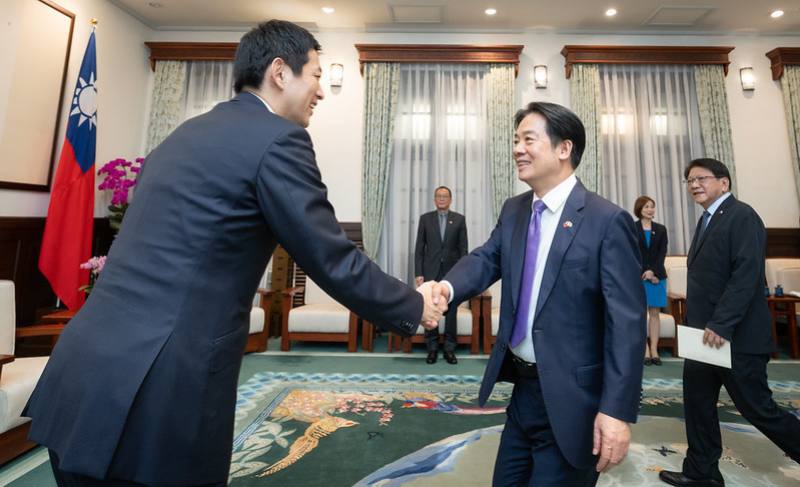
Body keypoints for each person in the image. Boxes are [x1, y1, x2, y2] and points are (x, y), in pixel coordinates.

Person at [23, 20, 444, 486]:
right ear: (281, 72)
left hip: (82, 368)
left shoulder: (182, 135)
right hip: (159, 387)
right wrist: (413, 305)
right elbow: (331, 256)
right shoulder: (280, 140)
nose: (321, 91)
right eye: (318, 75)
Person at [435, 102, 646, 486]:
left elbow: (627, 325)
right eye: (516, 140)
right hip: (524, 391)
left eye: (528, 139)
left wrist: (616, 412)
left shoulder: (606, 220)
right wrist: (445, 288)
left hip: (575, 399)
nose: (517, 148)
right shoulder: (515, 210)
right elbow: (486, 259)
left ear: (564, 149)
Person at [659, 158, 800, 487]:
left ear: (724, 183)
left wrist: (721, 324)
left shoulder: (742, 216)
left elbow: (746, 275)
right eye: (689, 180)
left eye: (701, 179)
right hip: (702, 338)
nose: (694, 185)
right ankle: (701, 473)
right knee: (698, 404)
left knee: (757, 408)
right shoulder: (708, 220)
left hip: (733, 336)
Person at [414, 186, 468, 364]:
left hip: (452, 273)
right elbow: (419, 249)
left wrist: (462, 274)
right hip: (430, 271)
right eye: (439, 196)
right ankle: (432, 348)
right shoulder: (425, 219)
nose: (442, 199)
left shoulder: (459, 220)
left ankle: (450, 349)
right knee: (430, 308)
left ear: (450, 199)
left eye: (445, 196)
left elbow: (463, 250)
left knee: (451, 312)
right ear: (434, 199)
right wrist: (419, 272)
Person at [634, 196, 668, 366]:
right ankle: (645, 349)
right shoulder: (632, 228)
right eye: (646, 206)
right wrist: (644, 272)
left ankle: (654, 349)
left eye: (652, 207)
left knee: (655, 314)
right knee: (640, 314)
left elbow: (661, 254)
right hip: (637, 277)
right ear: (639, 209)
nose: (650, 209)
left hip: (657, 278)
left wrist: (652, 272)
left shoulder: (661, 229)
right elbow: (630, 253)